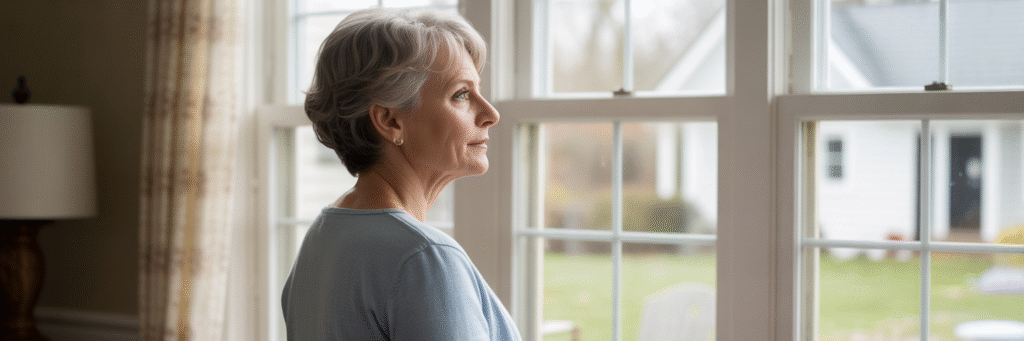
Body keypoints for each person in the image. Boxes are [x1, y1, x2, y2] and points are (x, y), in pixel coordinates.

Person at [280, 8, 521, 341]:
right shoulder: (424, 259)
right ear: (390, 121)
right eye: (461, 94)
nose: (490, 114)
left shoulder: (323, 237)